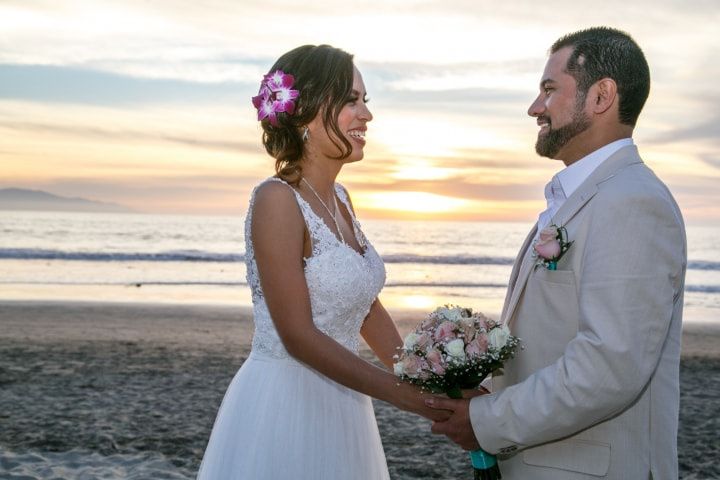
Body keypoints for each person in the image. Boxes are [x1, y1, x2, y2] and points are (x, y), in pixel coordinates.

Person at [427, 27, 687, 479]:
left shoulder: (631, 202)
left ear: (601, 96)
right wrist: (489, 390)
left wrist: (488, 421)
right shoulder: (582, 196)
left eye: (549, 90)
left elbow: (607, 366)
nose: (534, 107)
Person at [196, 44, 446, 480]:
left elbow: (363, 303)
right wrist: (403, 395)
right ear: (307, 109)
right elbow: (298, 335)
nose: (366, 115)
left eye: (366, 101)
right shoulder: (276, 200)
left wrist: (424, 376)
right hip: (284, 402)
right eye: (351, 100)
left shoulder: (342, 199)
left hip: (345, 404)